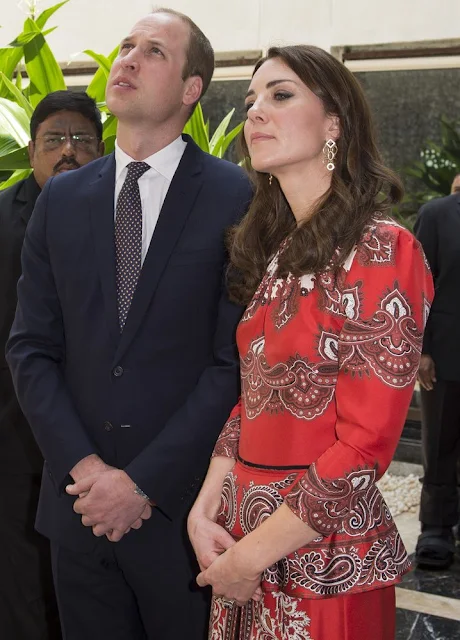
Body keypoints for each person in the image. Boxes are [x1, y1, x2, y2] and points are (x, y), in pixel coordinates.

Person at [6, 8, 251, 640]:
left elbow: (236, 361)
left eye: (155, 52)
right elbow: (31, 348)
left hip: (182, 515)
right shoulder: (61, 199)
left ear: (191, 89)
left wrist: (143, 483)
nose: (130, 60)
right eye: (126, 46)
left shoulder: (237, 197)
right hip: (78, 512)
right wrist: (86, 470)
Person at [188, 45, 434, 640]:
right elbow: (253, 401)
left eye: (281, 95)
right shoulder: (277, 255)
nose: (255, 114)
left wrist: (249, 558)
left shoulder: (383, 248)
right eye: (250, 102)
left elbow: (366, 445)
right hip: (240, 544)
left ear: (335, 123)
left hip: (322, 558)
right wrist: (203, 513)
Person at [0, 90, 104, 640]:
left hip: (102, 438)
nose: (68, 151)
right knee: (21, 575)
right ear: (31, 151)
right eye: (54, 140)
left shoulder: (125, 217)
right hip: (15, 434)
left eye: (82, 139)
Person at [414, 185, 460, 569]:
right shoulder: (438, 215)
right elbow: (417, 286)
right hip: (445, 354)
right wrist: (422, 350)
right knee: (440, 441)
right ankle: (436, 527)